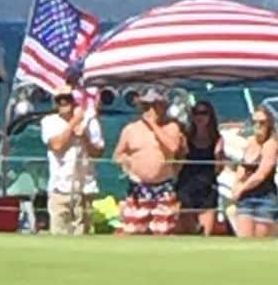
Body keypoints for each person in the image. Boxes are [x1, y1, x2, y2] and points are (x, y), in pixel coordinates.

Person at [112, 87, 187, 236]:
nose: (150, 109)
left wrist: (153, 125)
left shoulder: (171, 127)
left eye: (155, 105)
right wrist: (126, 162)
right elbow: (117, 155)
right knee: (133, 229)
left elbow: (173, 147)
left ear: (163, 106)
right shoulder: (130, 129)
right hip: (138, 186)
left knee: (163, 230)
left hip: (163, 186)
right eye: (146, 106)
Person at [39, 85, 105, 235]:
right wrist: (75, 122)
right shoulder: (49, 122)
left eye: (67, 99)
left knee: (83, 233)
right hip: (59, 188)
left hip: (84, 189)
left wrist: (84, 137)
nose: (63, 103)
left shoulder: (90, 122)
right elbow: (57, 145)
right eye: (59, 100)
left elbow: (98, 153)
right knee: (58, 232)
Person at [176, 99, 224, 235]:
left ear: (210, 116)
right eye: (196, 113)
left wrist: (219, 156)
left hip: (207, 187)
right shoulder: (186, 137)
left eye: (204, 113)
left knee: (205, 233)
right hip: (186, 187)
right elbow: (177, 163)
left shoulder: (217, 139)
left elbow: (219, 170)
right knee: (188, 232)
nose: (200, 117)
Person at [231, 108, 278, 239]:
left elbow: (261, 175)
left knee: (260, 242)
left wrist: (241, 189)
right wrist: (236, 185)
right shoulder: (250, 142)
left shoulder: (271, 144)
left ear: (269, 124)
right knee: (243, 240)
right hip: (246, 198)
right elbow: (242, 166)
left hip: (265, 198)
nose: (257, 126)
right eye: (254, 122)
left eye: (262, 122)